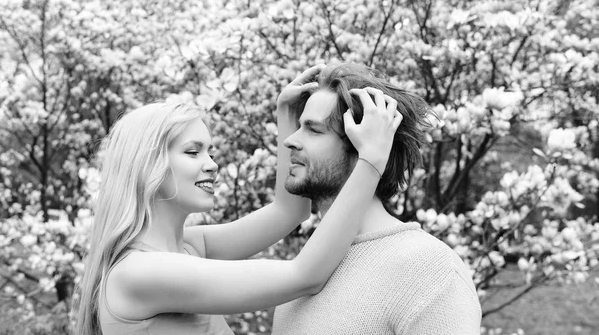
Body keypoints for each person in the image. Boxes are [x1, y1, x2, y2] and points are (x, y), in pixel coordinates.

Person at [74, 66, 403, 335]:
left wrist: (285, 115)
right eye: (193, 152)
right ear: (148, 166)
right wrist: (371, 160)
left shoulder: (187, 248)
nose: (212, 165)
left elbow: (290, 211)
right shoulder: (139, 272)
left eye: (210, 151)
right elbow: (305, 276)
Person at [272, 62, 482, 335]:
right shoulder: (308, 264)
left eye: (313, 130)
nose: (290, 140)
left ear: (363, 144)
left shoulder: (429, 270)